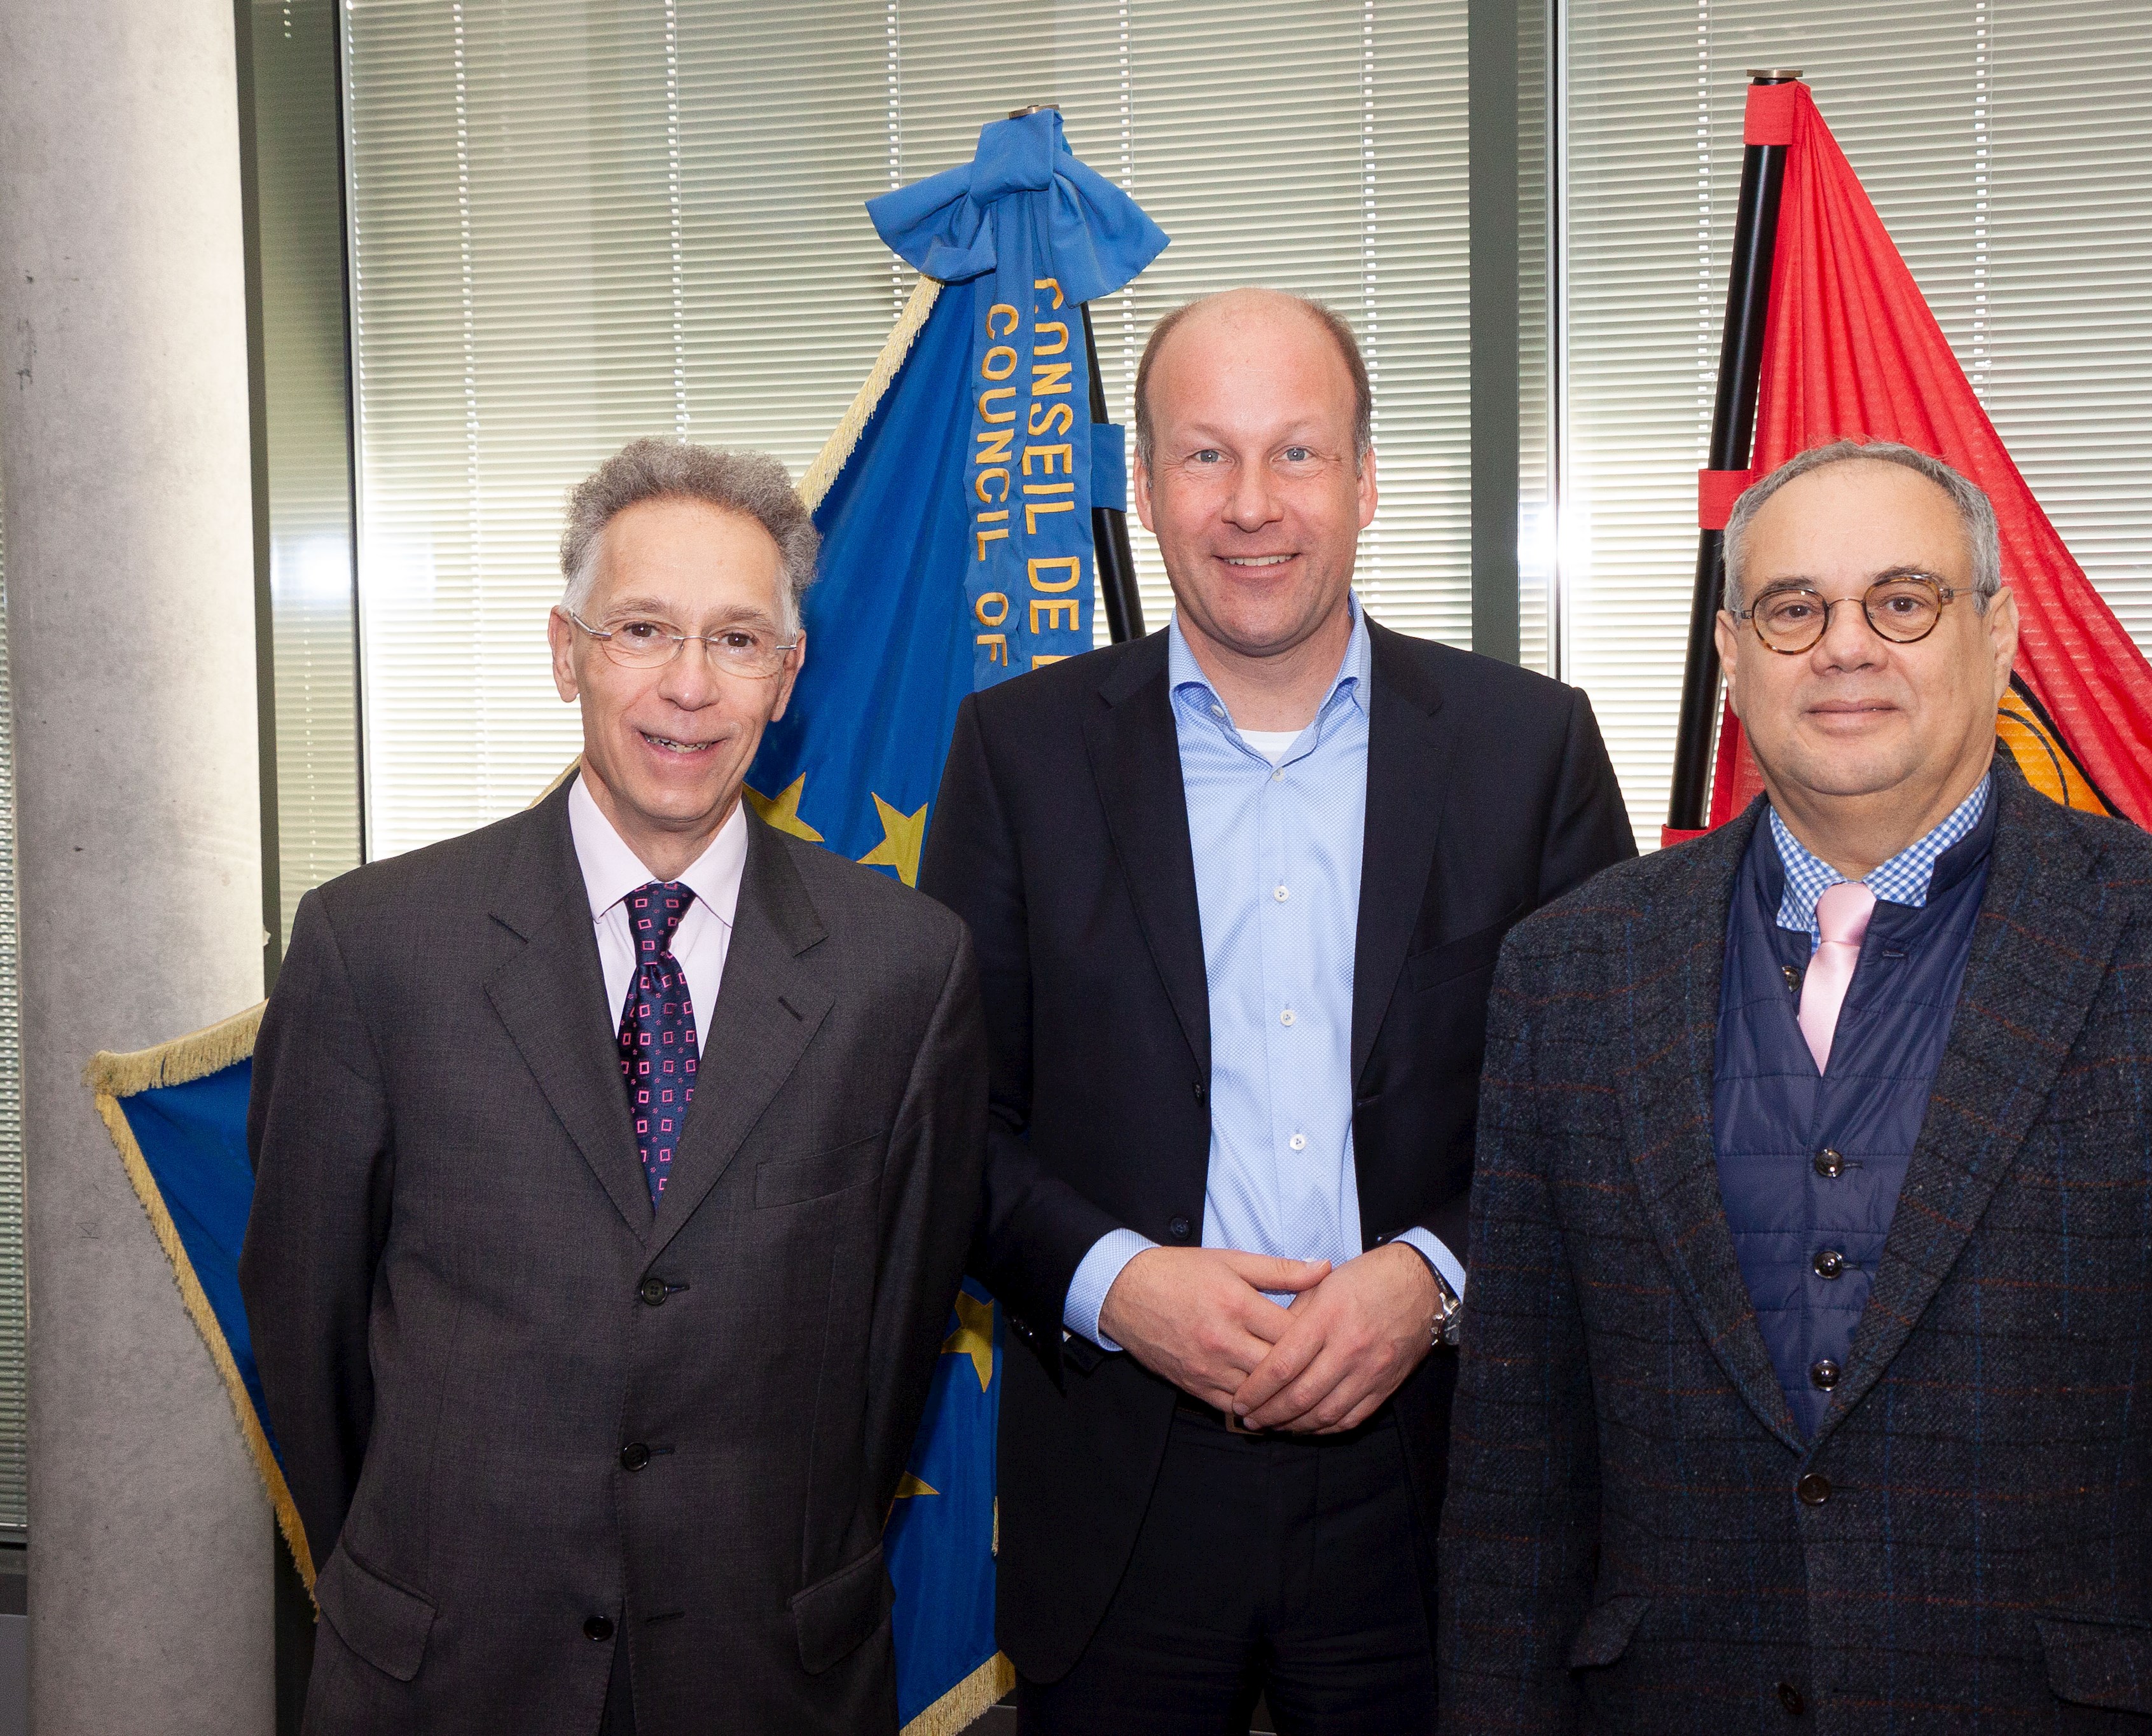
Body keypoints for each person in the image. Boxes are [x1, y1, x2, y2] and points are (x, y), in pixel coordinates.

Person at [1436, 439, 2152, 1733]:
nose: (1843, 646)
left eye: (1900, 601)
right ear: (1731, 656)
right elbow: (1515, 1465)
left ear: (1997, 633)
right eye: (1793, 608)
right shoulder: (1569, 970)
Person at [920, 287, 1635, 1734]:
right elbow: (951, 1127)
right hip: (1122, 1491)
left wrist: (1426, 1280)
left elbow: (1609, 1119)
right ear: (1141, 489)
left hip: (1433, 1497)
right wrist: (1121, 1284)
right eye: (1204, 456)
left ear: (1365, 481)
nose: (1251, 506)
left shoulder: (1526, 749)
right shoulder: (1017, 755)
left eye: (1295, 454)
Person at [240, 438, 984, 1735]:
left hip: (769, 1669)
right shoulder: (375, 949)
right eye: (642, 629)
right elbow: (311, 1336)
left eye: (738, 640)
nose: (688, 687)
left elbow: (894, 1341)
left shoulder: (903, 970)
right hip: (444, 1668)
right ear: (565, 650)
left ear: (788, 674)